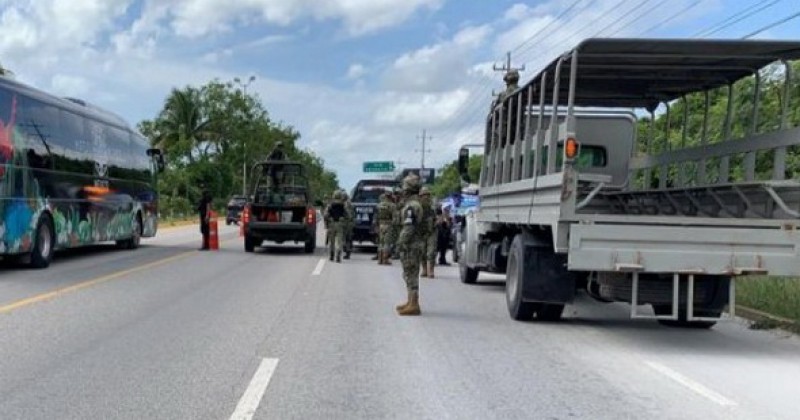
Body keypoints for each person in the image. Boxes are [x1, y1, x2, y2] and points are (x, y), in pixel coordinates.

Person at [395, 174, 424, 316]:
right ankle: (410, 301)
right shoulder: (415, 203)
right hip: (415, 244)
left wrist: (401, 243)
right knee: (409, 274)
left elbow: (409, 227)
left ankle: (414, 304)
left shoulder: (412, 206)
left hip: (411, 245)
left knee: (411, 274)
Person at [418, 187, 437, 278]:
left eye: (427, 195)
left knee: (431, 252)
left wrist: (437, 222)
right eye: (423, 195)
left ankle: (431, 271)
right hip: (421, 232)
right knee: (422, 252)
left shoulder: (433, 205)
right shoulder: (417, 206)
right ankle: (424, 269)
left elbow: (440, 215)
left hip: (432, 231)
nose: (425, 197)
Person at [324, 190, 346, 262]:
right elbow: (347, 215)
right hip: (340, 224)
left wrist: (327, 221)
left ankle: (332, 255)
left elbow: (325, 215)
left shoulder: (330, 205)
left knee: (332, 241)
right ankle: (338, 252)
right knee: (339, 241)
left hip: (332, 224)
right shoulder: (343, 205)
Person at [375, 191, 395, 265]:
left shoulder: (379, 205)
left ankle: (379, 259)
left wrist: (376, 226)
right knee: (387, 243)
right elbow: (395, 217)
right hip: (388, 225)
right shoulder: (392, 205)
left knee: (381, 242)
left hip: (380, 225)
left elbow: (376, 217)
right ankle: (385, 259)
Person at [342, 190, 354, 260]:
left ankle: (347, 251)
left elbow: (347, 215)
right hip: (350, 223)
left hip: (346, 223)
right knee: (349, 238)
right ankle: (348, 251)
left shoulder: (345, 204)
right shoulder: (351, 204)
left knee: (346, 238)